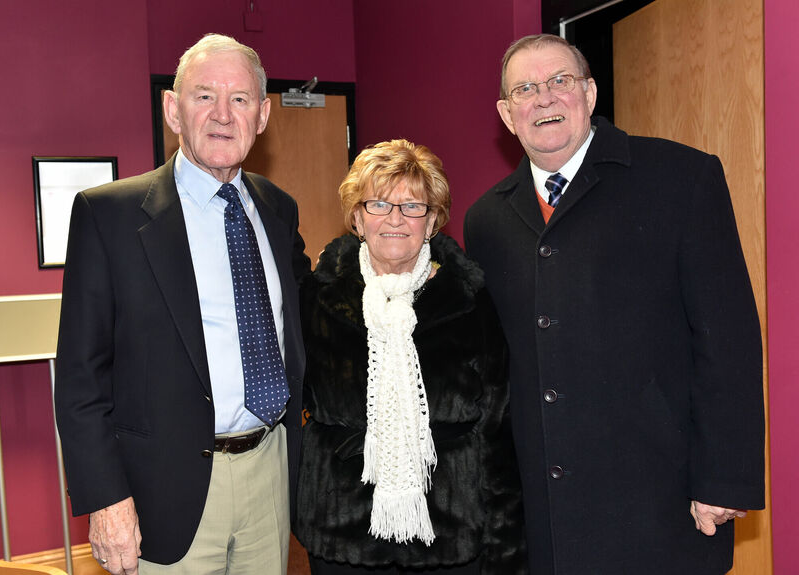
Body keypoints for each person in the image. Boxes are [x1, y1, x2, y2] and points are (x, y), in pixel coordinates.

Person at [463, 34, 765, 575]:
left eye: (561, 81)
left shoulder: (681, 178)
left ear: (591, 92)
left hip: (659, 498)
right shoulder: (486, 220)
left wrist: (724, 478)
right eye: (526, 89)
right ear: (507, 115)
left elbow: (730, 339)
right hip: (546, 512)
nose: (546, 98)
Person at [55, 34, 309, 575]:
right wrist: (104, 499)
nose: (222, 114)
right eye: (203, 96)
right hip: (165, 492)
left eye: (240, 99)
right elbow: (81, 379)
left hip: (270, 473)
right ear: (173, 108)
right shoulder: (110, 217)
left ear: (263, 115)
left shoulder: (277, 210)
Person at [294, 139, 526, 574]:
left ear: (434, 219)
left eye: (413, 206)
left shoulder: (469, 301)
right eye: (378, 204)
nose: (395, 219)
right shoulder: (318, 298)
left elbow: (499, 425)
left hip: (450, 535)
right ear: (358, 219)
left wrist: (503, 542)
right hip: (342, 532)